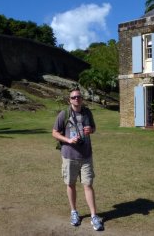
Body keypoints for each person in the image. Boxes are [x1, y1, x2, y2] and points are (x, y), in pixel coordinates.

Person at [52, 88, 104, 231]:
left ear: (82, 99)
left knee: (88, 184)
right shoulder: (64, 114)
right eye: (73, 97)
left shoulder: (87, 112)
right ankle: (74, 212)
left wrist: (91, 130)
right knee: (71, 184)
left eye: (78, 97)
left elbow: (93, 127)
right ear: (70, 100)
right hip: (69, 156)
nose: (76, 99)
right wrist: (68, 140)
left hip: (86, 155)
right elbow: (54, 132)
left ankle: (94, 216)